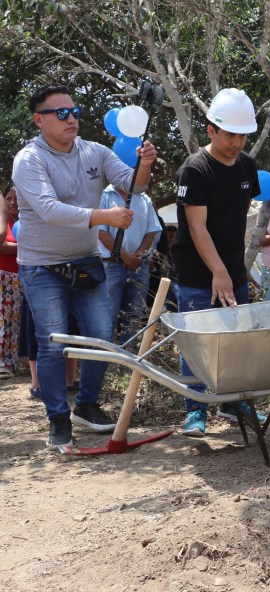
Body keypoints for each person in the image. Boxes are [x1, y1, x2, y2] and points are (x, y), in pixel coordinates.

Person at [12, 84, 156, 448]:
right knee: (52, 342)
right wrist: (103, 216)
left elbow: (134, 187)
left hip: (86, 262)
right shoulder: (29, 159)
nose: (71, 118)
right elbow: (48, 209)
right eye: (61, 113)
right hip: (41, 267)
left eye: (74, 112)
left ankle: (87, 406)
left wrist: (144, 165)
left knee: (100, 337)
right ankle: (58, 420)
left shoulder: (96, 151)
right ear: (39, 120)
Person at [172, 88, 264, 437]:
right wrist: (218, 272)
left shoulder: (247, 166)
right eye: (230, 135)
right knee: (198, 342)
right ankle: (195, 410)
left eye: (243, 135)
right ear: (211, 130)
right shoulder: (195, 170)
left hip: (232, 271)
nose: (237, 143)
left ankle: (233, 403)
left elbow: (240, 218)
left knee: (236, 341)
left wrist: (236, 269)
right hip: (197, 274)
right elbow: (197, 228)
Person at [98, 185, 161, 344]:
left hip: (139, 265)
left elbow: (151, 230)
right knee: (108, 317)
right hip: (111, 265)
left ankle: (128, 357)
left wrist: (138, 255)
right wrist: (124, 255)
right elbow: (100, 232)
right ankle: (105, 356)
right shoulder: (103, 196)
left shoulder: (145, 199)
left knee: (134, 317)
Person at [0, 184, 21, 379]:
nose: (13, 203)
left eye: (17, 198)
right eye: (9, 199)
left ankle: (11, 362)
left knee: (15, 323)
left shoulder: (26, 221)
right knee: (3, 322)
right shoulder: (2, 220)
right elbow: (3, 247)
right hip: (4, 279)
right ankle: (2, 363)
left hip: (20, 280)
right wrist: (26, 244)